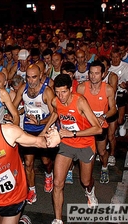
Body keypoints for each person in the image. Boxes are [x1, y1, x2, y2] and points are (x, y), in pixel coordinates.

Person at [42, 74, 102, 224]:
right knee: (57, 183)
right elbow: (56, 112)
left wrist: (73, 133)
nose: (60, 96)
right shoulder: (56, 101)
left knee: (85, 180)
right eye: (57, 92)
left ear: (71, 89)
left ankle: (90, 192)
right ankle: (58, 219)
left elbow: (98, 129)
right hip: (67, 144)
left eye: (64, 92)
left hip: (85, 144)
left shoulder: (80, 101)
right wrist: (45, 130)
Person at [12, 64, 56, 204]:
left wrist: (40, 122)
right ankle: (32, 190)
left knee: (45, 161)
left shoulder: (47, 91)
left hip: (44, 128)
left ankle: (49, 174)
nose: (31, 81)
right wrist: (12, 115)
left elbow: (55, 113)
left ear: (41, 75)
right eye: (28, 77)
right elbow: (13, 107)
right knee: (28, 163)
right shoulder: (23, 89)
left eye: (34, 77)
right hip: (28, 129)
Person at [76, 60, 117, 184]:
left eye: (97, 73)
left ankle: (104, 168)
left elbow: (113, 108)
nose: (93, 76)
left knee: (102, 151)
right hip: (86, 126)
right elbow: (76, 105)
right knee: (87, 152)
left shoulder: (108, 89)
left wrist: (103, 117)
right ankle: (86, 177)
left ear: (103, 74)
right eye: (91, 73)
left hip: (100, 126)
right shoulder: (82, 88)